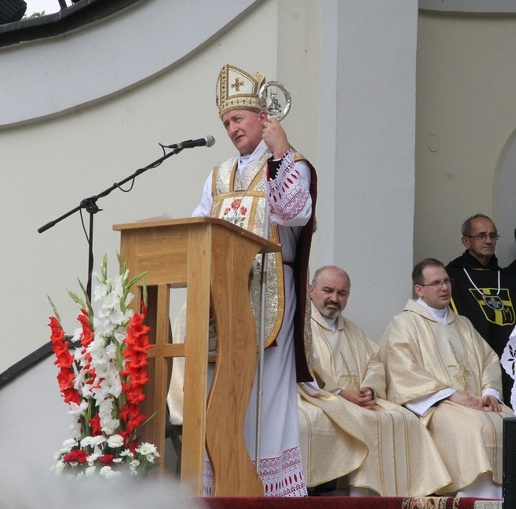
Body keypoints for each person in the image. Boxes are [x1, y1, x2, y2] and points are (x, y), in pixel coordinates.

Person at [190, 64, 317, 497]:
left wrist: (279, 153)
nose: (230, 129)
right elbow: (198, 227)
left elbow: (292, 212)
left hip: (270, 293)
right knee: (220, 392)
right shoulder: (219, 174)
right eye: (226, 122)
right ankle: (223, 486)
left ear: (263, 118)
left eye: (238, 119)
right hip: (223, 299)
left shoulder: (291, 163)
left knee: (265, 399)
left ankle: (269, 493)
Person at [297, 266, 450, 496]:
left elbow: (375, 361)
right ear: (311, 290)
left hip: (359, 401)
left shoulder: (352, 330)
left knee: (403, 418)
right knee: (348, 421)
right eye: (328, 290)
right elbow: (305, 367)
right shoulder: (300, 326)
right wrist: (339, 393)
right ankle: (350, 492)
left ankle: (389, 496)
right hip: (321, 398)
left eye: (342, 293)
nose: (334, 298)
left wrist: (369, 389)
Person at [379, 258, 515, 499]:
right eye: (436, 283)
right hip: (436, 405)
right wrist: (451, 394)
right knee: (475, 427)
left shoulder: (462, 323)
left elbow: (488, 360)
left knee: (512, 421)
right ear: (419, 289)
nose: (444, 287)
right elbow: (402, 370)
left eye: (446, 281)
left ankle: (511, 494)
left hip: (476, 402)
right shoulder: (404, 324)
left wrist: (490, 393)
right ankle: (475, 496)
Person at [445, 214, 516, 405]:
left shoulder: (511, 279)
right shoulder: (451, 276)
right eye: (481, 235)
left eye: (493, 236)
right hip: (473, 357)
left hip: (510, 358)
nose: (488, 240)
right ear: (466, 241)